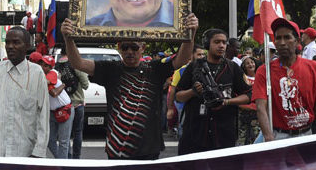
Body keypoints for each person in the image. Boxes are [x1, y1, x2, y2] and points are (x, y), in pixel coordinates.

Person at [62, 13, 198, 160]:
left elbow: (182, 59)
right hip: (117, 148)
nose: (129, 52)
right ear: (119, 48)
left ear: (143, 48)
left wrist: (191, 32)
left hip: (149, 148)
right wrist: (68, 38)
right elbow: (78, 63)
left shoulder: (155, 68)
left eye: (134, 47)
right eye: (125, 47)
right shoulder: (111, 68)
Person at [0, 27, 49, 157]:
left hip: (25, 152)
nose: (10, 46)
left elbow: (43, 114)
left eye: (16, 42)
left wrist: (39, 150)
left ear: (27, 46)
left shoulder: (37, 73)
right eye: (7, 42)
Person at [253, 18, 316, 142]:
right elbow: (260, 107)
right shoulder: (264, 71)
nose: (282, 43)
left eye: (287, 37)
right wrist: (269, 138)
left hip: (307, 135)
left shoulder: (315, 68)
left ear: (297, 41)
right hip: (278, 137)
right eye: (278, 38)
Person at [175, 29, 252, 154]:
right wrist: (193, 92)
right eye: (217, 42)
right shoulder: (194, 67)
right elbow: (178, 96)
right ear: (207, 44)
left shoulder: (233, 68)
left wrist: (227, 102)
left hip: (223, 136)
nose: (221, 45)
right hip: (194, 134)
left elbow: (249, 95)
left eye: (224, 42)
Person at [55, 48, 90, 159]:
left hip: (62, 106)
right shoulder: (76, 65)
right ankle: (76, 157)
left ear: (61, 53)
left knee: (65, 135)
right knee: (78, 132)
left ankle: (67, 157)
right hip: (77, 103)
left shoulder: (56, 67)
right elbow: (86, 85)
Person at [38, 55, 74, 159]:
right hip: (52, 112)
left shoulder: (52, 73)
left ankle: (63, 167)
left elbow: (53, 93)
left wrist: (62, 85)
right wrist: (62, 85)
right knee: (50, 140)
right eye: (41, 64)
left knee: (63, 142)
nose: (42, 67)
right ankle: (63, 161)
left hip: (64, 109)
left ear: (51, 67)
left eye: (46, 65)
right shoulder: (45, 74)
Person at [166, 45, 205, 138]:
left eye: (203, 54)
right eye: (199, 54)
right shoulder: (181, 70)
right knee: (184, 132)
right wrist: (170, 108)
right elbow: (173, 89)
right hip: (183, 106)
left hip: (201, 107)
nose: (202, 57)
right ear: (191, 55)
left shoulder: (207, 69)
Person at [237, 55, 261, 145]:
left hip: (257, 116)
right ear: (243, 66)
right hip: (244, 115)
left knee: (257, 141)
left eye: (252, 62)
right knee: (242, 141)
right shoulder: (241, 79)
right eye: (247, 63)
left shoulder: (260, 77)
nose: (250, 64)